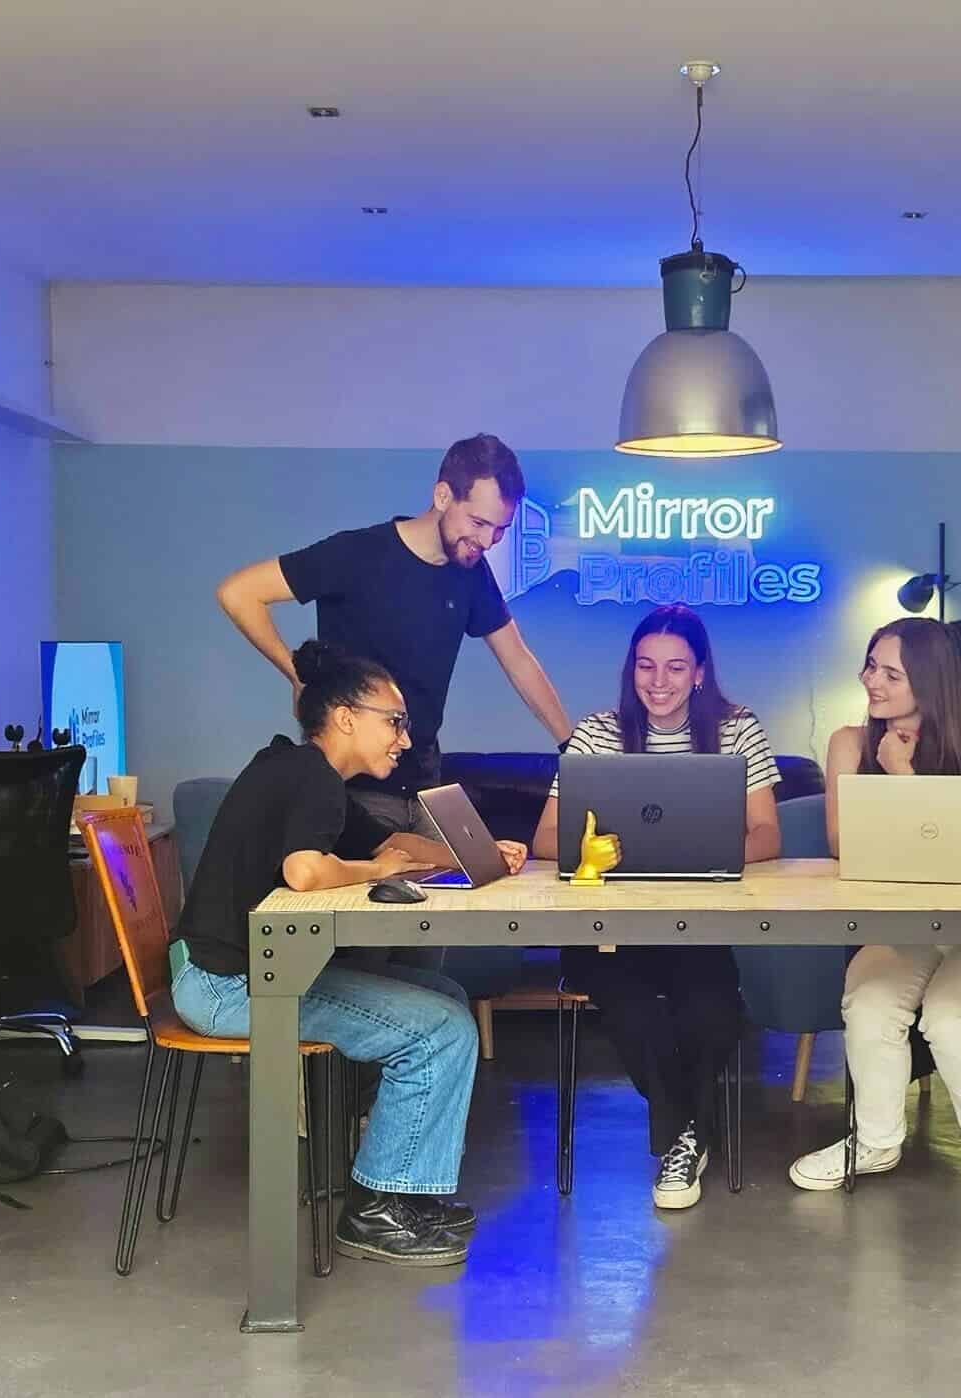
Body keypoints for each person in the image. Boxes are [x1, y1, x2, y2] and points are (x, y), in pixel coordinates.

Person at [170, 639, 528, 1265]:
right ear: (343, 716)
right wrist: (369, 869)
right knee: (440, 1029)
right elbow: (306, 872)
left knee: (443, 998)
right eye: (394, 722)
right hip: (230, 986)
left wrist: (484, 855)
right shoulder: (308, 776)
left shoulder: (309, 774)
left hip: (231, 973)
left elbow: (396, 844)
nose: (404, 739)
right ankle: (375, 1212)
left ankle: (405, 1192)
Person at [787, 617, 961, 1215]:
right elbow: (842, 846)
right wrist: (885, 772)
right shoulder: (849, 745)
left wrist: (905, 777)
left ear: (929, 683)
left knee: (952, 1013)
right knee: (871, 998)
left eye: (890, 673)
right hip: (907, 929)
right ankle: (876, 1142)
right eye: (869, 666)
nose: (871, 681)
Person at [532, 605, 781, 1210]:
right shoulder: (596, 734)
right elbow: (544, 841)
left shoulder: (736, 728)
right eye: (646, 666)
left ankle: (681, 1132)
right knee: (635, 1008)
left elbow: (768, 836)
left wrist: (701, 852)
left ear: (699, 671)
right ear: (631, 669)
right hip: (608, 927)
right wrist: (594, 849)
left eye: (675, 667)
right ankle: (685, 1135)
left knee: (713, 1012)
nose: (659, 681)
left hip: (699, 923)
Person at [215, 433, 572, 847]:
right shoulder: (356, 553)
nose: (488, 541)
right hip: (353, 790)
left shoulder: (471, 573)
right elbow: (239, 593)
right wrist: (296, 674)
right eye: (478, 523)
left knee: (472, 887)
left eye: (501, 529)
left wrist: (573, 745)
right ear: (442, 496)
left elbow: (519, 661)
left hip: (426, 788)